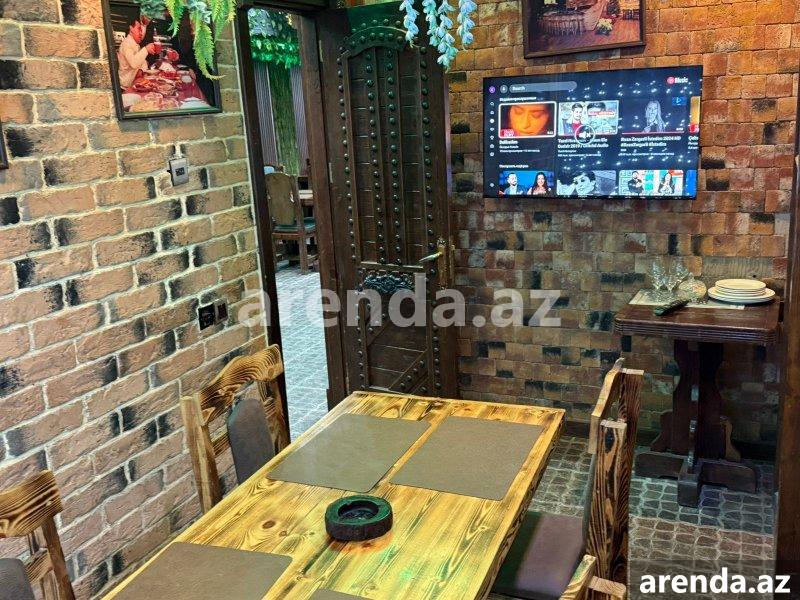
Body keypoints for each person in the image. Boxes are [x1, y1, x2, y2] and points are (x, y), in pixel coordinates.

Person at [117, 17, 162, 88]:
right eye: (139, 29)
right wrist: (146, 49)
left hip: (135, 83)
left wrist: (141, 70)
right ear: (131, 28)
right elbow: (134, 63)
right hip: (126, 87)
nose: (141, 33)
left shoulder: (135, 44)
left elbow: (143, 62)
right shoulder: (126, 43)